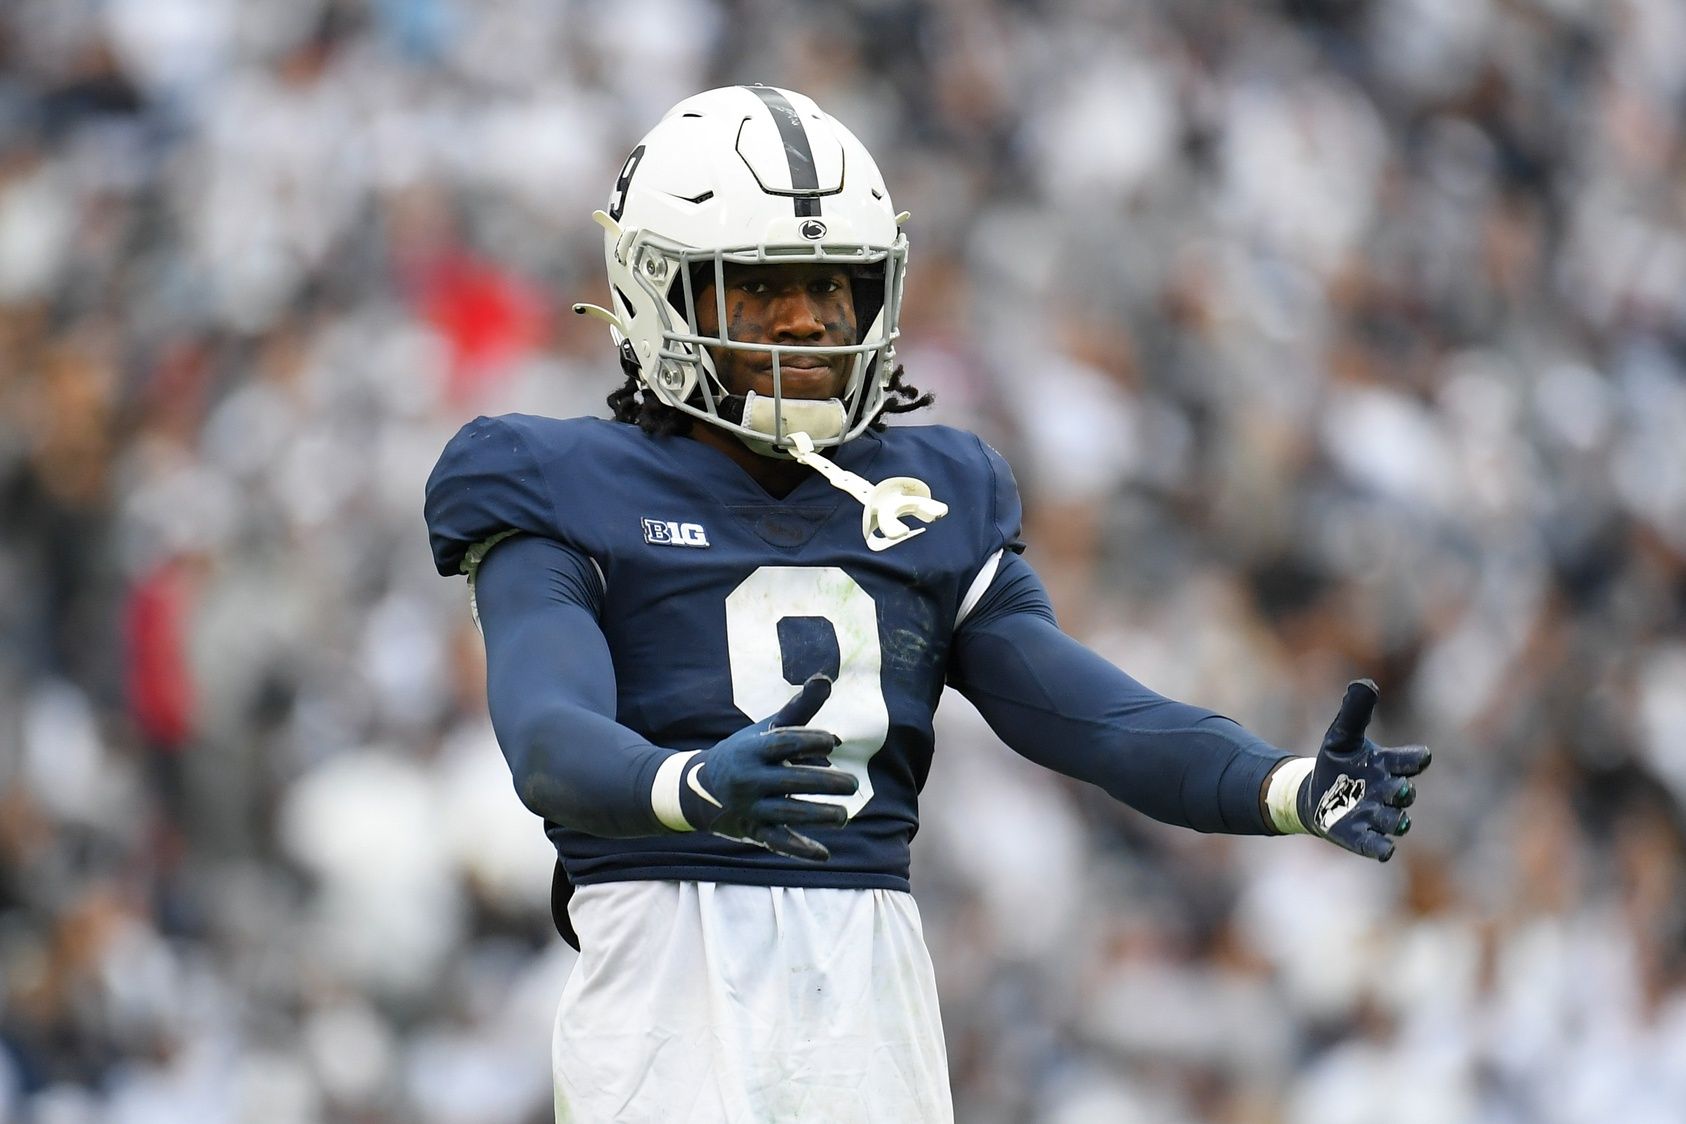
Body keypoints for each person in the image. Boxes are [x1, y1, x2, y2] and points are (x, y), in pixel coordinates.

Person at [423, 84, 1431, 1123]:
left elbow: (1085, 712)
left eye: (833, 284)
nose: (807, 319)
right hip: (669, 982)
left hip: (872, 993)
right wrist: (690, 785)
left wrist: (1281, 784)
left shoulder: (930, 492)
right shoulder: (554, 478)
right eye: (761, 288)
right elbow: (547, 735)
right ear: (660, 293)